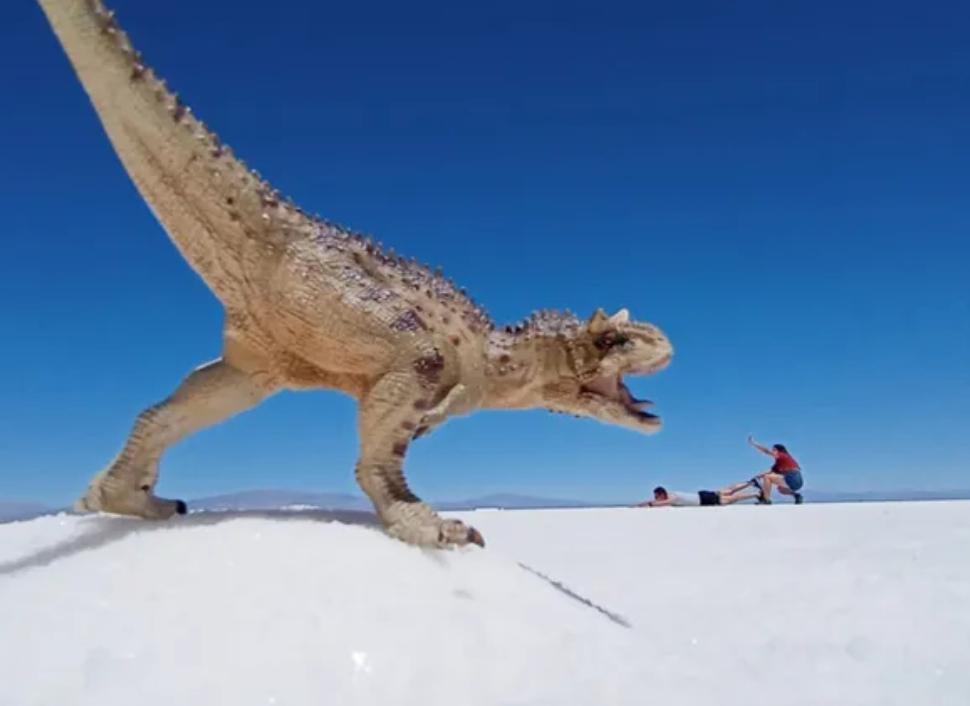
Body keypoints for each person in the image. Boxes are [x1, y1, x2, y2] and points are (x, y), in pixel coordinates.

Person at [747, 435, 804, 504]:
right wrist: (757, 476)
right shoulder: (779, 462)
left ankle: (766, 499)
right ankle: (797, 495)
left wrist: (754, 443)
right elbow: (770, 471)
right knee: (781, 489)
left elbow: (766, 451)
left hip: (793, 477)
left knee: (767, 477)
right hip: (798, 481)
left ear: (779, 450)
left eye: (774, 449)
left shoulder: (782, 454)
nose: (772, 451)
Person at [636, 480, 759, 508]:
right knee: (729, 490)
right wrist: (642, 504)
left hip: (704, 500)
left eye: (657, 496)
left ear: (661, 494)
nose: (656, 498)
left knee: (732, 498)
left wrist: (649, 505)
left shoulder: (672, 497)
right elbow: (658, 502)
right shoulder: (672, 494)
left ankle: (756, 494)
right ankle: (751, 483)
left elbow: (663, 503)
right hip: (702, 495)